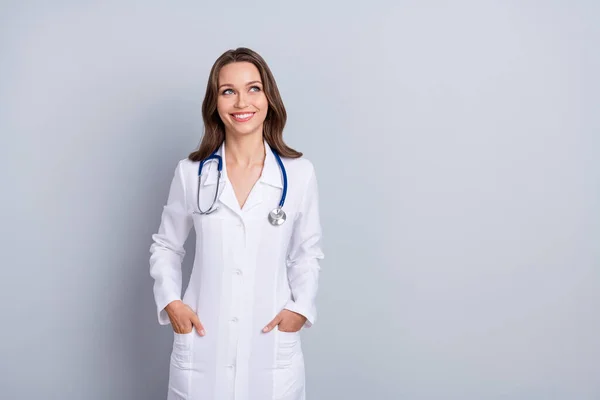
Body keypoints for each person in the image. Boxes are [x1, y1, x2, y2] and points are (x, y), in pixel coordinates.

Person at [149, 47, 324, 400]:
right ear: (215, 103)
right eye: (228, 91)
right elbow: (166, 246)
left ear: (269, 98)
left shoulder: (299, 174)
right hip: (203, 348)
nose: (241, 101)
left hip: (271, 349)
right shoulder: (191, 174)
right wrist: (171, 301)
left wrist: (299, 309)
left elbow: (307, 253)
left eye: (253, 88)